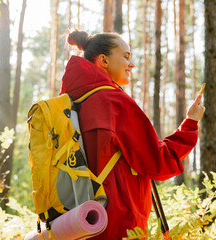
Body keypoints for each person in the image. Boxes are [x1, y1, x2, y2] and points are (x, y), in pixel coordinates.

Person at [59, 29, 205, 239]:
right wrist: (190, 123)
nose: (132, 64)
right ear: (104, 61)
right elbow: (158, 162)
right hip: (117, 223)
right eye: (126, 56)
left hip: (75, 222)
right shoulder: (115, 103)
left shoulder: (68, 102)